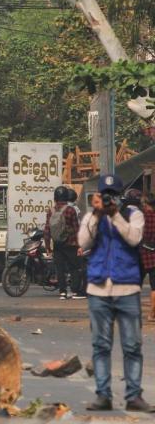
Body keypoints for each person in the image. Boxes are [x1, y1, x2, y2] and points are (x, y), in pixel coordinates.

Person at [78, 176, 152, 412]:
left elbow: (134, 238)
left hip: (127, 287)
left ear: (121, 195)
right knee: (101, 346)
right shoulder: (92, 216)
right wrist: (97, 215)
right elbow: (84, 242)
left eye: (113, 194)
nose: (110, 198)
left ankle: (134, 396)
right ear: (99, 196)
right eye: (106, 194)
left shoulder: (133, 214)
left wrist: (115, 215)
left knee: (132, 346)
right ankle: (103, 395)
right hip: (98, 289)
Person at [45, 185, 84, 300]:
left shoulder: (51, 211)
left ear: (55, 198)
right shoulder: (70, 210)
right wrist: (80, 245)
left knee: (60, 269)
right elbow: (76, 229)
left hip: (57, 245)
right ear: (67, 197)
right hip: (71, 244)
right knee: (74, 267)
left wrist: (47, 246)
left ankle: (62, 292)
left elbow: (47, 230)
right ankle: (74, 291)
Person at [142, 193, 155, 320]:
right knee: (154, 286)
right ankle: (152, 313)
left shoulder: (142, 217)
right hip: (154, 256)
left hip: (141, 254)